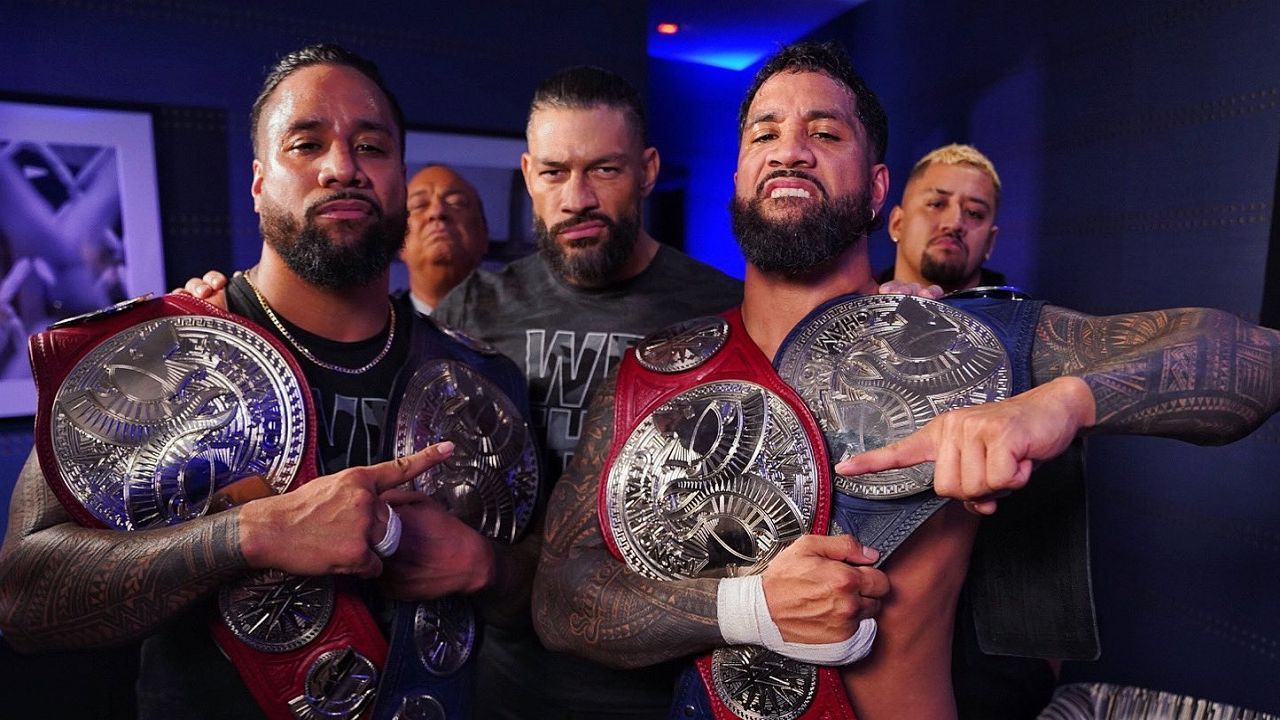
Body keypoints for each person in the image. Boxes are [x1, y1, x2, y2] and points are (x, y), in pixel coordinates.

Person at [531, 40, 1280, 720]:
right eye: (765, 133)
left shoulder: (974, 345)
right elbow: (560, 601)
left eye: (824, 134)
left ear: (879, 187)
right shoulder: (651, 374)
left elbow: (1253, 361)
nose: (790, 151)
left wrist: (1057, 403)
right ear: (738, 175)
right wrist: (748, 609)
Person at [0, 43, 534, 720]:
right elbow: (23, 601)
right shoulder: (154, 357)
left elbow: (536, 596)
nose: (342, 168)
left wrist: (488, 565)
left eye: (371, 147)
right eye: (306, 144)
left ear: (398, 176)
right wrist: (249, 534)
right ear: (258, 183)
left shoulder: (481, 380)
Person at [431, 65, 746, 719]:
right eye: (554, 172)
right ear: (528, 175)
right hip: (509, 680)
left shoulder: (723, 309)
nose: (577, 197)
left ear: (648, 169)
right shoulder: (474, 309)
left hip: (665, 682)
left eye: (604, 169)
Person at [876, 143, 1007, 291]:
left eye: (973, 213)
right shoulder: (856, 309)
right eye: (936, 204)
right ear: (897, 224)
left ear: (990, 242)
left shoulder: (1022, 313)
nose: (954, 223)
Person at [400, 163, 490, 315]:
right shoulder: (376, 327)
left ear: (484, 235)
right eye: (419, 205)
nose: (437, 211)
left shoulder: (521, 326)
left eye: (456, 202)